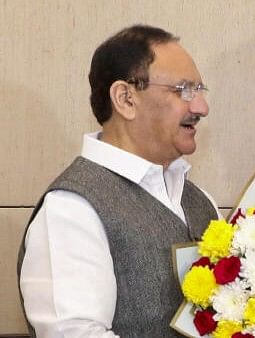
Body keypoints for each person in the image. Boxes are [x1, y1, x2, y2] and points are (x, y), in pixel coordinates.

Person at [17, 25, 220, 337]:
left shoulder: (200, 200)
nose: (201, 107)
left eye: (199, 91)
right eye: (183, 91)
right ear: (125, 98)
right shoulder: (72, 209)